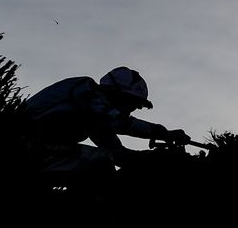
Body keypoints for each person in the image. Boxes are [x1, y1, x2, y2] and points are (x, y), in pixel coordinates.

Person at [23, 66, 191, 185]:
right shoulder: (87, 91)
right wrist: (164, 133)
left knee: (103, 161)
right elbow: (121, 124)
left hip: (41, 151)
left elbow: (117, 153)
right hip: (25, 146)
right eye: (131, 103)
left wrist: (149, 158)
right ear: (115, 92)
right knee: (100, 163)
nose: (131, 109)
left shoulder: (95, 117)